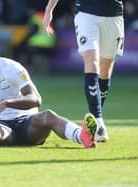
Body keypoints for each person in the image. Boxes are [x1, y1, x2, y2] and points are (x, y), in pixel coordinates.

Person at [0, 31, 98, 149]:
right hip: (2, 128)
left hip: (30, 124)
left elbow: (35, 99)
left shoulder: (11, 67)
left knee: (48, 115)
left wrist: (6, 103)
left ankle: (84, 136)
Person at [43, 0, 125, 142]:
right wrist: (49, 9)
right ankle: (99, 124)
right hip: (86, 13)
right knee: (92, 61)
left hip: (114, 14)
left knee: (105, 71)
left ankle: (95, 117)